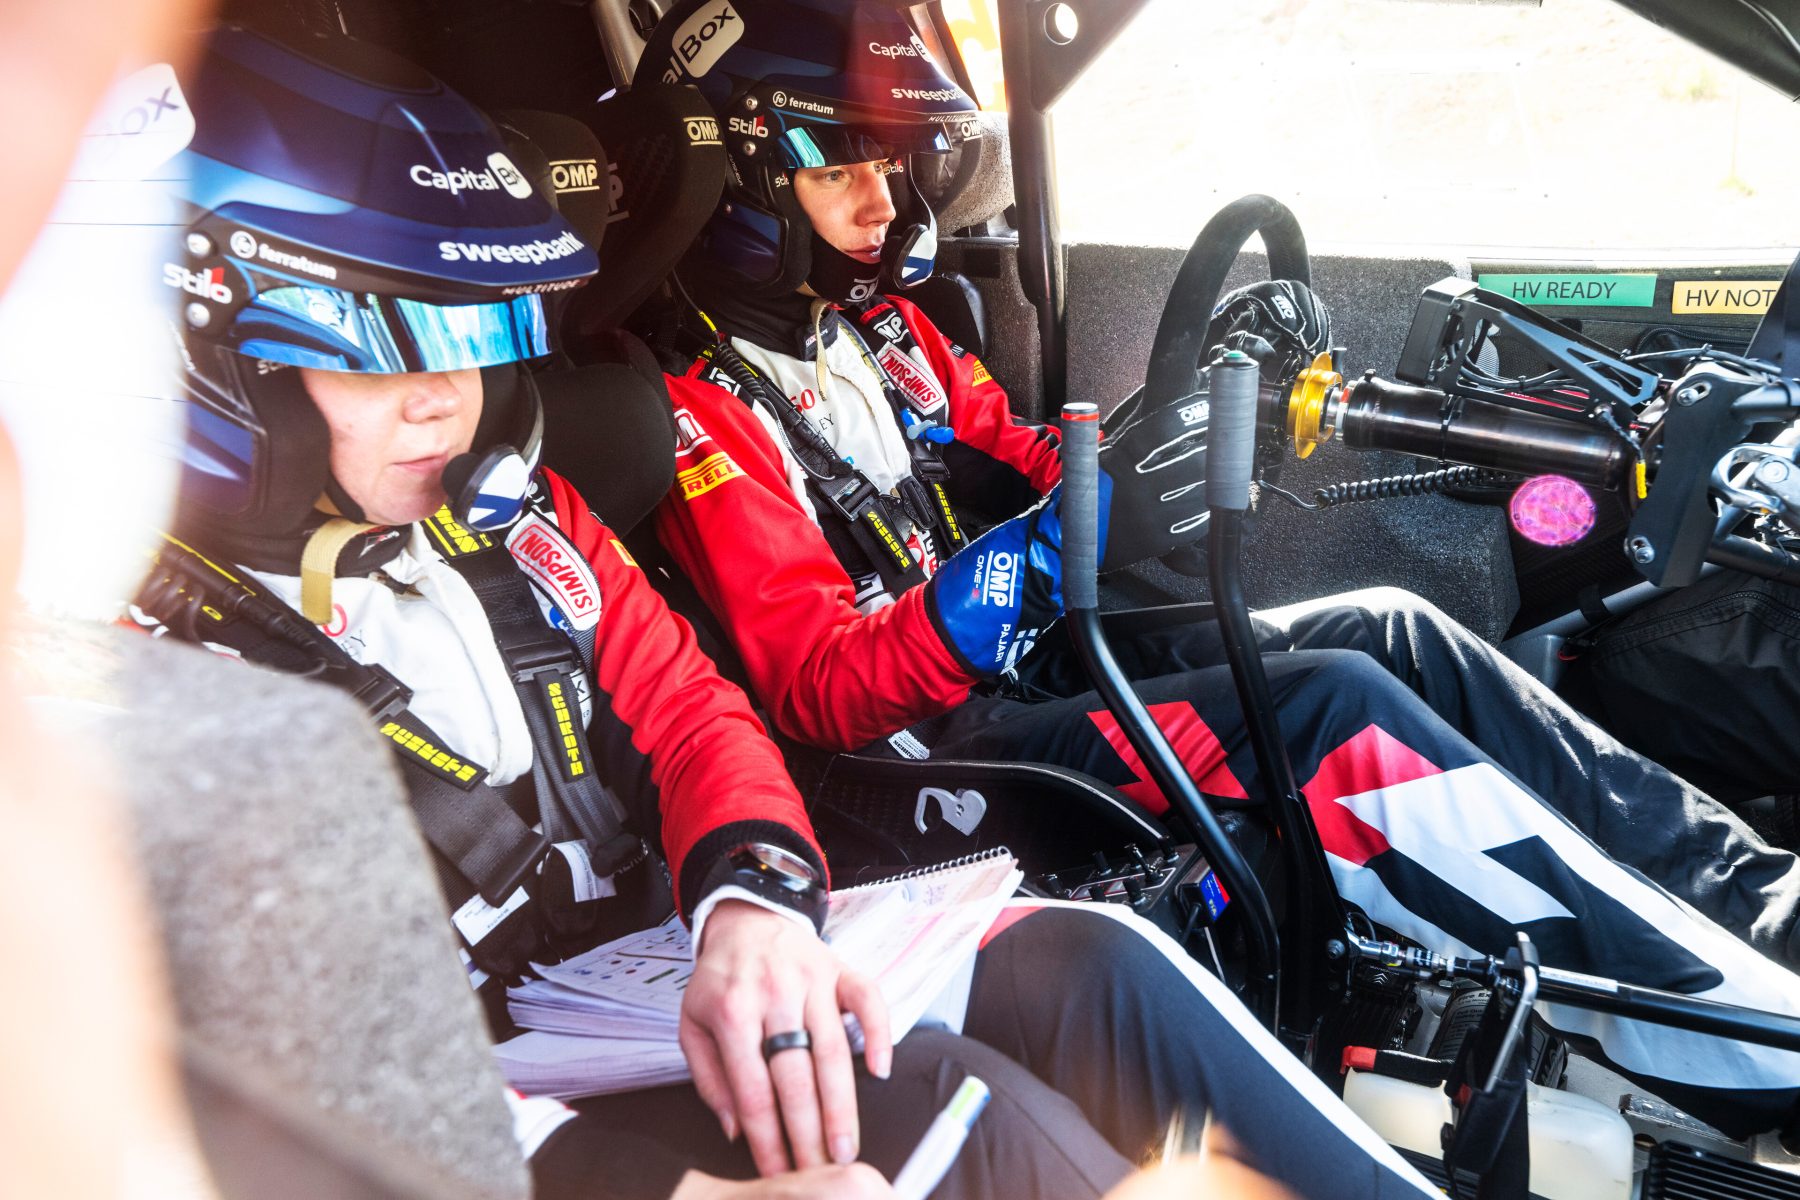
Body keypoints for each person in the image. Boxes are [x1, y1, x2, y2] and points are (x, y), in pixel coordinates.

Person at [134, 24, 1442, 1200]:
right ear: (202, 347)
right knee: (960, 1122)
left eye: (474, 332)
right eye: (380, 342)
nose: (448, 397)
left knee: (1098, 951)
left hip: (652, 964)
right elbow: (214, 1083)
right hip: (494, 1098)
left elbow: (697, 714)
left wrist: (750, 902)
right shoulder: (118, 661)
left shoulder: (539, 506)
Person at [642, 0, 1800, 1138]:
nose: (883, 202)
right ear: (741, 175)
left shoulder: (888, 334)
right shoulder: (693, 410)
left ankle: (1758, 905)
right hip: (917, 760)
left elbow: (1038, 459)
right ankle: (1761, 1044)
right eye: (842, 166)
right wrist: (1050, 545)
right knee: (1328, 714)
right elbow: (822, 689)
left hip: (1031, 666)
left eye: (894, 165)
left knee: (1390, 628)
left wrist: (1177, 438)